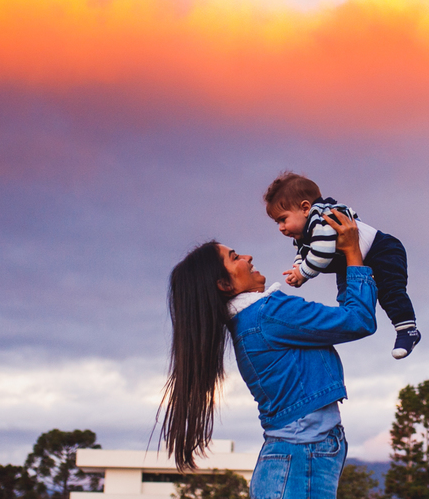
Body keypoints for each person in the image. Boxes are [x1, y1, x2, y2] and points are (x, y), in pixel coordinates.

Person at [160, 209, 376, 499]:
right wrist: (350, 252)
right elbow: (358, 320)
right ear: (224, 285)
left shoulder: (250, 322)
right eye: (235, 257)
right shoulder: (267, 314)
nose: (247, 257)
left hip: (292, 462)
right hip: (300, 459)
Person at [263, 171, 421, 359]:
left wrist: (303, 274)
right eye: (277, 222)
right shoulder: (305, 232)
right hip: (351, 259)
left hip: (382, 250)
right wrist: (297, 267)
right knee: (347, 300)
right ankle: (348, 319)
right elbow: (303, 252)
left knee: (390, 292)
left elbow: (322, 252)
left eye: (283, 219)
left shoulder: (322, 219)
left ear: (305, 208)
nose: (281, 227)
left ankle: (407, 329)